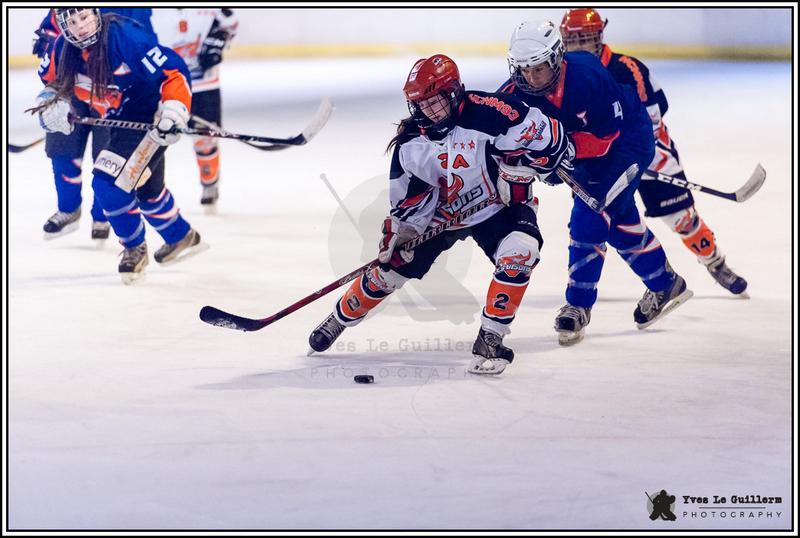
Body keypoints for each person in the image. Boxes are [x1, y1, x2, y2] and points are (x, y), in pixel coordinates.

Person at [307, 54, 574, 375]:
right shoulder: (410, 143)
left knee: (520, 253)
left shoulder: (495, 112)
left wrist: (529, 164)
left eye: (436, 101)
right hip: (441, 213)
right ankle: (339, 319)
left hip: (497, 205)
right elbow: (407, 202)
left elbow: (552, 139)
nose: (429, 111)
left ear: (454, 92)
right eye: (421, 104)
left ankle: (491, 336)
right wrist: (402, 234)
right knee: (390, 270)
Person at [499, 20, 693, 345]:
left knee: (590, 215)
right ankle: (664, 282)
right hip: (586, 153)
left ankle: (578, 305)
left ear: (557, 59)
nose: (530, 78)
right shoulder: (515, 92)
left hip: (627, 142)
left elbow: (605, 139)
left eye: (539, 69)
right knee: (616, 220)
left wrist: (557, 152)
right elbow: (490, 126)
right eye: (524, 70)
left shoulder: (587, 75)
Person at [559, 8, 747, 295]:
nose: (577, 48)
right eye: (571, 42)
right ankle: (614, 287)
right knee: (598, 223)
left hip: (651, 152)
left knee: (682, 217)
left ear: (598, 37)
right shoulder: (563, 75)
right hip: (599, 164)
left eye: (584, 40)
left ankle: (714, 261)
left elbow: (652, 119)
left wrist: (630, 154)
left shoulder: (626, 68)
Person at [32, 8, 205, 284]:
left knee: (108, 184)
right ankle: (180, 236)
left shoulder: (124, 36)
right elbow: (52, 82)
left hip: (148, 119)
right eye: (72, 22)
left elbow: (172, 71)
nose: (81, 27)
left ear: (96, 14)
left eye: (85, 17)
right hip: (117, 122)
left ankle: (134, 247)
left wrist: (174, 107)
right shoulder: (62, 48)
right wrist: (51, 101)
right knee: (147, 191)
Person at [32, 8, 154, 241]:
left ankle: (103, 215)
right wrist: (47, 39)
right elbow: (52, 26)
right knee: (62, 147)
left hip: (113, 92)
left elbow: (143, 39)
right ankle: (68, 209)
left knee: (106, 157)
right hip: (72, 86)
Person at [150, 8, 238, 212]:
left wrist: (217, 40)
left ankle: (210, 183)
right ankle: (147, 188)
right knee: (155, 137)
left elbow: (231, 24)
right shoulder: (151, 11)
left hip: (204, 84)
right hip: (167, 85)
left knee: (205, 137)